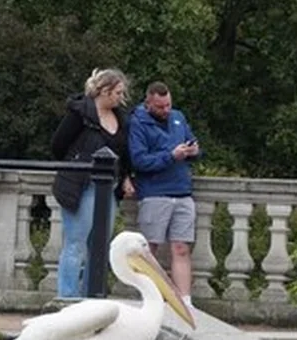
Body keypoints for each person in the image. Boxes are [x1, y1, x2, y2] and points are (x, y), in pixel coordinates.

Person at [51, 68, 135, 299]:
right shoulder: (80, 113)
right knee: (75, 243)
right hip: (82, 185)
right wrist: (78, 165)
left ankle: (92, 296)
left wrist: (126, 177)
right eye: (118, 92)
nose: (121, 97)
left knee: (99, 246)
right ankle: (67, 299)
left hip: (109, 187)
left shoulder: (121, 117)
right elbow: (58, 145)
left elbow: (123, 151)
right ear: (105, 91)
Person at [128, 81, 201, 306]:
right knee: (149, 249)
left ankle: (185, 301)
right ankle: (150, 299)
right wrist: (170, 156)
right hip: (154, 193)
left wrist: (194, 150)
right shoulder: (138, 122)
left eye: (168, 105)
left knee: (181, 248)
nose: (166, 110)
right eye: (160, 107)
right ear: (148, 102)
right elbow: (139, 160)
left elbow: (193, 141)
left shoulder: (178, 117)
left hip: (182, 191)